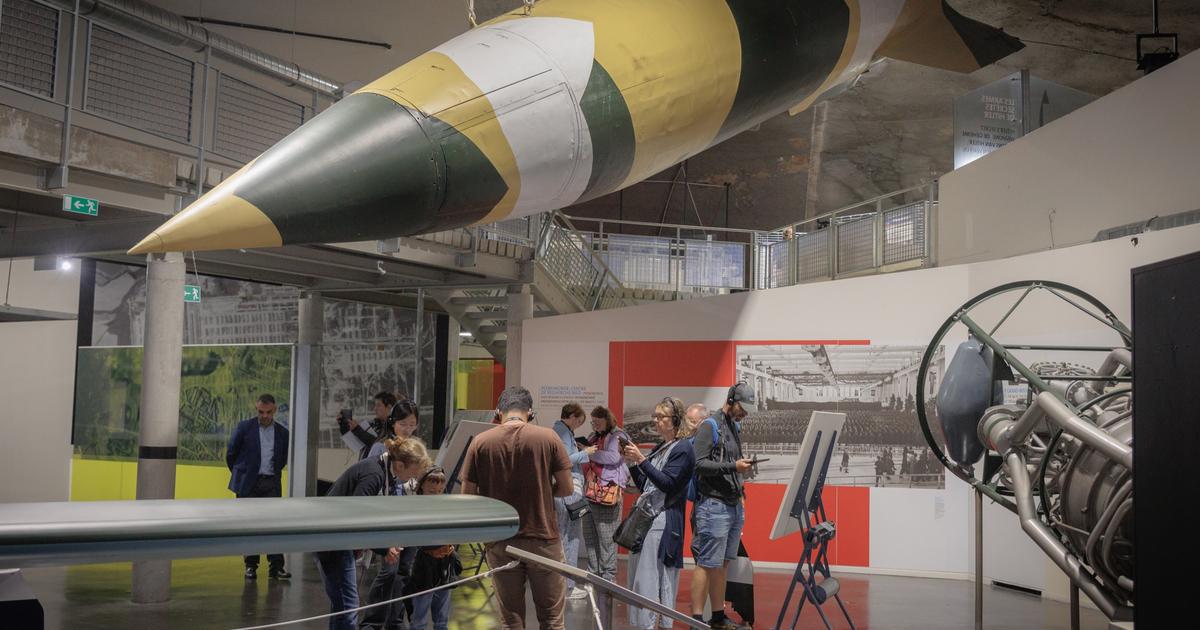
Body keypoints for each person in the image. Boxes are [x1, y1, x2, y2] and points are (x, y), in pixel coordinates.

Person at [461, 386, 573, 630]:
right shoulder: (549, 438)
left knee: (511, 621)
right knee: (552, 620)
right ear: (530, 412)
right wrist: (543, 491)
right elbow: (567, 489)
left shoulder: (480, 442)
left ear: (498, 412)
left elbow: (467, 497)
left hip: (500, 541)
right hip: (543, 539)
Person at [318, 437, 431, 630]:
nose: (413, 478)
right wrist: (383, 547)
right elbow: (357, 517)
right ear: (400, 465)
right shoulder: (374, 474)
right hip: (333, 542)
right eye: (413, 472)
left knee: (342, 608)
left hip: (335, 540)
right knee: (347, 609)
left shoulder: (380, 469)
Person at [621, 397, 695, 630]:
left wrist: (642, 460)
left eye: (660, 416)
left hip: (663, 520)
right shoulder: (662, 446)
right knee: (641, 577)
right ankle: (643, 624)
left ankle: (652, 623)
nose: (655, 420)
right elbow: (646, 485)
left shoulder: (683, 448)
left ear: (675, 420)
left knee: (652, 577)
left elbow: (667, 484)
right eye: (654, 416)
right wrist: (632, 463)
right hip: (649, 518)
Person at [691, 383, 755, 630]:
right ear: (731, 399)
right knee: (707, 563)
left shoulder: (733, 426)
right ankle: (695, 620)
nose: (744, 413)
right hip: (713, 506)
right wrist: (733, 468)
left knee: (723, 563)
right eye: (742, 407)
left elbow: (729, 460)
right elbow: (699, 465)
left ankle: (717, 616)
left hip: (732, 505)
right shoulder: (710, 425)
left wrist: (741, 485)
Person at [226, 393, 291, 580]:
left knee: (274, 526)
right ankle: (251, 566)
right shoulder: (244, 428)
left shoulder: (283, 433)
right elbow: (231, 454)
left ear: (275, 410)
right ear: (257, 409)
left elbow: (282, 459)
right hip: (249, 484)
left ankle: (276, 567)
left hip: (270, 482)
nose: (264, 416)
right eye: (261, 412)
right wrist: (243, 474)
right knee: (250, 526)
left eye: (268, 412)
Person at [405, 467, 461, 630]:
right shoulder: (415, 506)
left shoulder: (446, 504)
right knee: (419, 617)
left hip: (445, 562)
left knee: (442, 618)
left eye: (440, 488)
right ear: (422, 486)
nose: (436, 491)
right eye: (432, 489)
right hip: (424, 564)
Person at [552, 402, 597, 600]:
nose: (579, 424)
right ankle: (568, 586)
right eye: (579, 420)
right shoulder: (561, 432)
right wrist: (585, 453)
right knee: (570, 537)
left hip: (568, 489)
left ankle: (564, 584)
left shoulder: (562, 431)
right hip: (570, 489)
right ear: (571, 415)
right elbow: (565, 461)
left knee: (567, 535)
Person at [581, 405, 629, 584]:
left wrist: (590, 453)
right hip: (589, 492)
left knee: (607, 537)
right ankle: (593, 573)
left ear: (608, 420)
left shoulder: (619, 436)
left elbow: (613, 458)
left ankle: (608, 576)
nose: (595, 426)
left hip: (608, 493)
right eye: (593, 423)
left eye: (598, 422)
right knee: (590, 535)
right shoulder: (593, 436)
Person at [338, 391, 399, 460]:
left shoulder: (394, 429)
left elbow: (377, 445)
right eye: (375, 405)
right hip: (364, 465)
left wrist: (357, 429)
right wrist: (343, 426)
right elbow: (354, 443)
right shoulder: (373, 425)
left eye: (378, 405)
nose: (375, 409)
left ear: (389, 407)